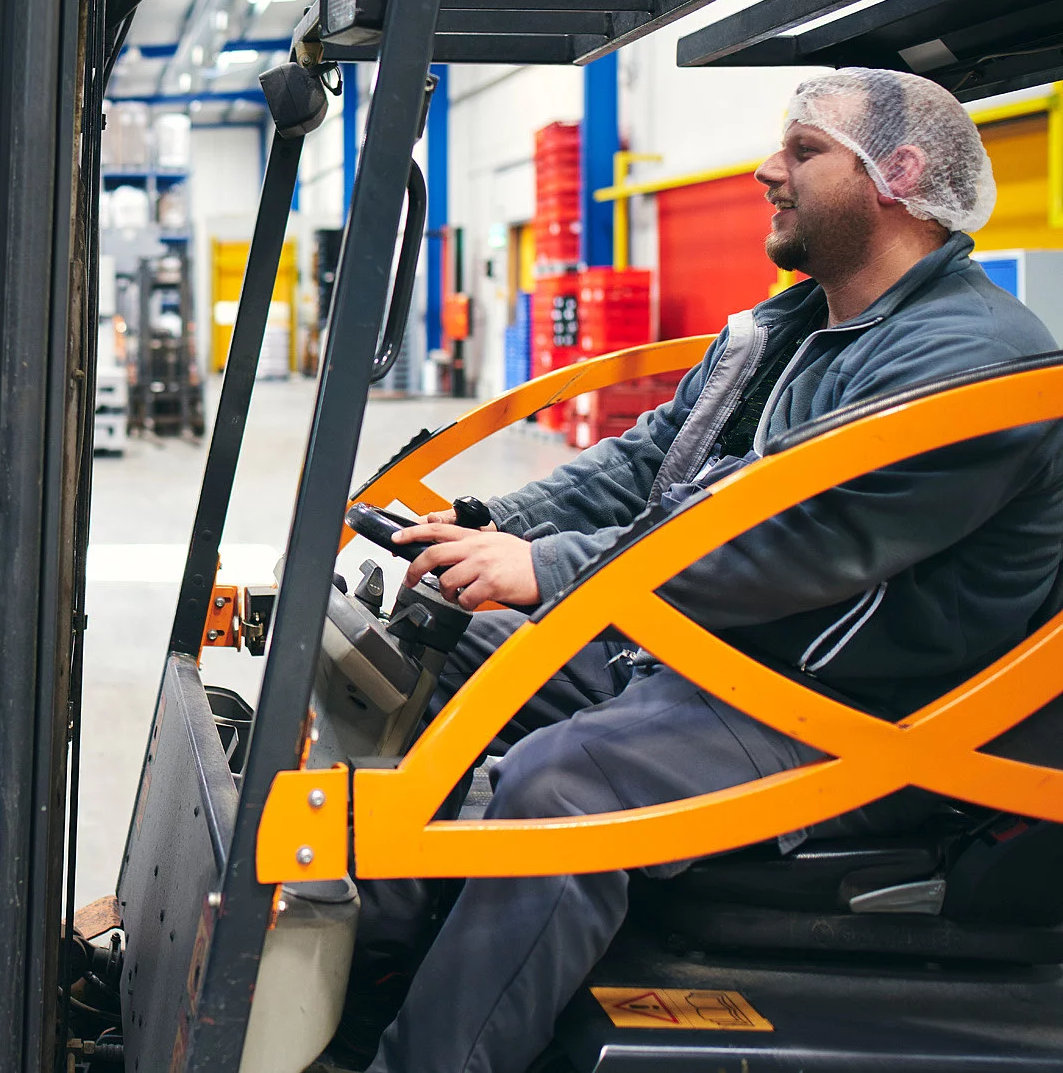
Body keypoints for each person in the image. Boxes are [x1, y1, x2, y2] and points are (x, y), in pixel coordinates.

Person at [350, 67, 1063, 1073]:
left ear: (895, 175)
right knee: (435, 641)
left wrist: (550, 570)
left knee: (567, 782)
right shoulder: (793, 326)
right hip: (726, 655)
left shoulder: (968, 360)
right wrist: (479, 524)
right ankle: (360, 963)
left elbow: (794, 542)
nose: (768, 170)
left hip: (854, 707)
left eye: (803, 151)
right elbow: (650, 459)